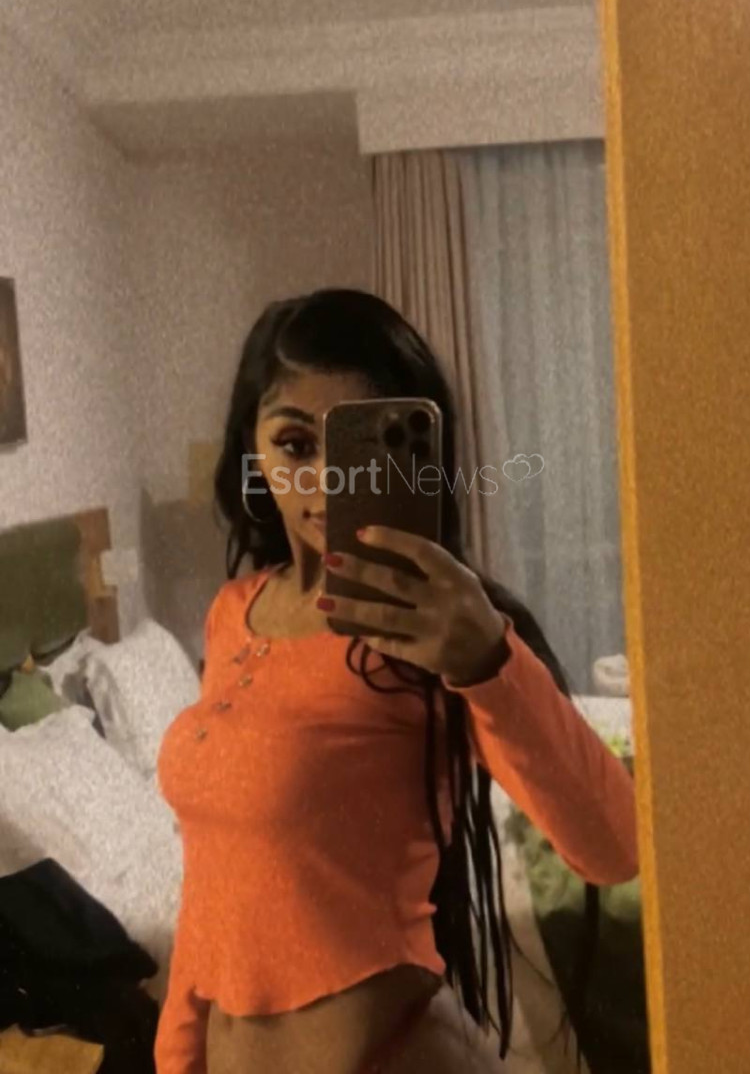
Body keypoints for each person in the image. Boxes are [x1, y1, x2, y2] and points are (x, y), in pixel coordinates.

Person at [155, 288, 638, 1074]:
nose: (325, 482)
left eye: (358, 449)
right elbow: (210, 890)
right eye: (295, 444)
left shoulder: (440, 628)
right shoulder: (232, 612)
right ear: (252, 451)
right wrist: (176, 1056)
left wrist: (487, 661)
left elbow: (614, 844)